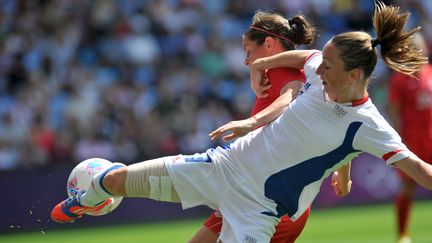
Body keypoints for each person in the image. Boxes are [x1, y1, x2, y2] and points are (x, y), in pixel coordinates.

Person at [51, 2, 432, 242]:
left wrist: (252, 124)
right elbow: (306, 57)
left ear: (354, 75)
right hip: (223, 166)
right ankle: (90, 195)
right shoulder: (320, 69)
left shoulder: (369, 125)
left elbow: (418, 168)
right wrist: (264, 63)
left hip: (260, 211)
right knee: (115, 180)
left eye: (329, 65)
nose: (320, 67)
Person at [189, 10, 351, 243]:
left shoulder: (285, 73)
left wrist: (252, 122)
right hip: (257, 194)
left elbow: (289, 97)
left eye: (248, 51)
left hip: (271, 201)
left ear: (268, 44)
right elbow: (341, 129)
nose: (246, 61)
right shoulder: (301, 74)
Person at [387, 32, 432, 243]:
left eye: (418, 47)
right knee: (408, 187)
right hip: (413, 140)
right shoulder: (400, 79)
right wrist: (398, 142)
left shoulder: (431, 74)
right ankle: (403, 235)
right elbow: (395, 112)